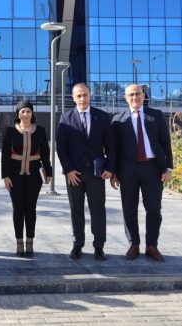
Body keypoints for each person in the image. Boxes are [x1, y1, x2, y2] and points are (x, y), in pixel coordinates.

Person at [111, 84, 173, 262]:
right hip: (127, 169)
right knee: (129, 208)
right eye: (130, 95)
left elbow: (166, 143)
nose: (134, 97)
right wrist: (114, 172)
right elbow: (113, 149)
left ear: (144, 95)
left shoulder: (156, 115)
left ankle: (152, 245)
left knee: (153, 208)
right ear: (125, 98)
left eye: (137, 94)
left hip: (152, 168)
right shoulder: (117, 120)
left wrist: (169, 168)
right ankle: (134, 244)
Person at [56, 83, 115, 261]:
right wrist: (68, 170)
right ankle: (78, 244)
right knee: (76, 209)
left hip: (97, 173)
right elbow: (61, 148)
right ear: (73, 98)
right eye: (79, 96)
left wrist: (110, 168)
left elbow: (110, 145)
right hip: (74, 174)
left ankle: (99, 246)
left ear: (90, 95)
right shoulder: (65, 118)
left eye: (85, 95)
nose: (82, 99)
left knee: (98, 210)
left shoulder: (102, 117)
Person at [0, 100, 51, 258]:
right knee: (18, 208)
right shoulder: (10, 131)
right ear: (18, 114)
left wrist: (48, 172)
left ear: (32, 113)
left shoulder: (40, 131)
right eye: (23, 111)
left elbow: (45, 153)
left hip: (34, 176)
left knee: (30, 208)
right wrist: (5, 176)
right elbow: (5, 155)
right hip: (14, 176)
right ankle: (19, 243)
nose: (26, 114)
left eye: (28, 111)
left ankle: (30, 242)